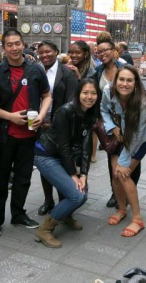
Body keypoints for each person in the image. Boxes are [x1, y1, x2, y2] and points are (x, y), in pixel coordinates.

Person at [0, 29, 52, 238]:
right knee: (1, 179)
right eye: (9, 45)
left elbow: (47, 94)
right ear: (3, 48)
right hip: (5, 135)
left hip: (29, 134)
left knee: (24, 178)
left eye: (17, 44)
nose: (14, 48)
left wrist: (42, 114)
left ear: (23, 44)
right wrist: (10, 116)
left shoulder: (35, 69)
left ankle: (18, 214)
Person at [34, 78, 100, 248]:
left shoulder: (90, 112)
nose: (89, 97)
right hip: (47, 155)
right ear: (78, 94)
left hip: (64, 156)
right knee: (76, 195)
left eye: (93, 93)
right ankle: (44, 230)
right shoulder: (65, 111)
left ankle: (64, 215)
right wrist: (73, 174)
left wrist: (83, 174)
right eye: (85, 92)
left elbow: (86, 144)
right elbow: (63, 146)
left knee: (82, 193)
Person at [102, 65, 146, 237]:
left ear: (136, 83)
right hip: (118, 136)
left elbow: (137, 136)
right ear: (116, 81)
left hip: (139, 140)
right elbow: (104, 111)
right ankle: (121, 209)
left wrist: (124, 162)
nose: (124, 84)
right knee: (116, 174)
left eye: (129, 80)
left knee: (123, 174)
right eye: (121, 79)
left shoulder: (143, 101)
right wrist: (112, 127)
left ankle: (137, 218)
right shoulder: (108, 91)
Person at [94, 32, 141, 209]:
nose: (102, 54)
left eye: (106, 50)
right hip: (110, 122)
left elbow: (137, 92)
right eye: (99, 52)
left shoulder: (126, 68)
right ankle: (116, 194)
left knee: (131, 162)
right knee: (112, 158)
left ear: (114, 50)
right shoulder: (98, 71)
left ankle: (130, 192)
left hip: (130, 121)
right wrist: (110, 125)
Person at [37, 40, 79, 216]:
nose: (45, 55)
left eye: (49, 51)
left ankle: (65, 204)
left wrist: (55, 122)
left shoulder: (66, 73)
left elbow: (71, 101)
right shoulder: (35, 70)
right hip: (39, 126)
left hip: (60, 127)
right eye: (42, 52)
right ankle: (48, 200)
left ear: (56, 51)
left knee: (62, 163)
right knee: (44, 164)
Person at [67, 40, 97, 162]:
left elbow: (90, 94)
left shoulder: (91, 72)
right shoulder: (66, 67)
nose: (74, 55)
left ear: (85, 54)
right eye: (71, 52)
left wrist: (79, 77)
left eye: (77, 52)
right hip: (69, 112)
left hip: (84, 114)